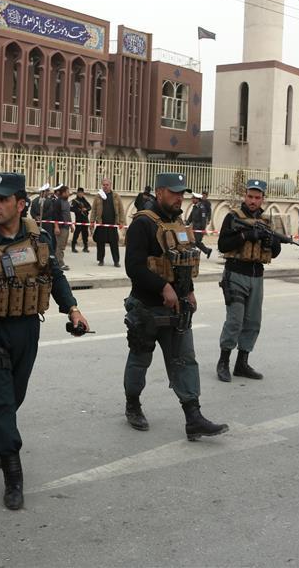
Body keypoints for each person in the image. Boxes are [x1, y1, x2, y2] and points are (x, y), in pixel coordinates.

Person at [0, 172, 90, 511]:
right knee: (2, 401)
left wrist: (72, 309)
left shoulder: (39, 237)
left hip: (27, 328)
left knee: (15, 394)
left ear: (20, 204)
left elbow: (54, 275)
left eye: (1, 200)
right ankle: (13, 476)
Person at [122, 172, 228, 440]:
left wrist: (188, 291)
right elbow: (133, 267)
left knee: (184, 360)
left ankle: (193, 417)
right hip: (146, 308)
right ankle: (132, 405)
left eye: (182, 193)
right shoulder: (142, 224)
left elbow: (181, 264)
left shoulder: (180, 223)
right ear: (159, 193)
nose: (180, 197)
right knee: (140, 360)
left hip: (177, 308)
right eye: (175, 192)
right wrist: (162, 286)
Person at [214, 180, 281, 382]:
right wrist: (246, 235)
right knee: (235, 320)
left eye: (257, 197)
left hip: (256, 275)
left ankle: (242, 363)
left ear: (263, 199)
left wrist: (271, 242)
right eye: (250, 196)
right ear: (245, 196)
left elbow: (275, 252)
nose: (253, 201)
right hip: (235, 273)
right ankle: (223, 362)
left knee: (252, 321)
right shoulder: (233, 217)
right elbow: (223, 245)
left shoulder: (267, 221)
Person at [90, 177, 125, 267]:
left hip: (112, 224)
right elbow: (93, 210)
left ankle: (116, 261)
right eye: (104, 185)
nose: (105, 186)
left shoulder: (116, 196)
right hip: (101, 224)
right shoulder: (98, 196)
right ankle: (101, 260)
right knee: (100, 243)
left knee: (114, 244)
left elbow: (121, 209)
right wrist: (92, 221)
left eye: (107, 185)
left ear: (110, 185)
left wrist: (121, 222)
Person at [185, 191, 213, 258]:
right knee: (195, 241)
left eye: (193, 198)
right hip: (194, 227)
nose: (192, 199)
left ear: (197, 199)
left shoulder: (202, 208)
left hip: (199, 228)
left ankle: (193, 255)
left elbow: (203, 219)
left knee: (196, 241)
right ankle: (207, 251)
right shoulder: (195, 207)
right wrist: (187, 223)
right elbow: (191, 216)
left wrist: (202, 229)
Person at [50, 184, 72, 270]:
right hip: (61, 227)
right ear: (62, 193)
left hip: (66, 227)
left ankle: (58, 263)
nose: (69, 193)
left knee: (62, 246)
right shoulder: (58, 202)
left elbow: (67, 214)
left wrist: (71, 225)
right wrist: (56, 227)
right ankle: (59, 264)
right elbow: (55, 215)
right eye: (67, 192)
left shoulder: (66, 202)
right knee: (60, 246)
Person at [70, 187, 91, 253]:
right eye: (79, 192)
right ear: (77, 193)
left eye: (81, 193)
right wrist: (79, 210)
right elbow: (71, 208)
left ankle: (85, 247)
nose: (80, 194)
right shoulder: (75, 201)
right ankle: (73, 247)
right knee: (76, 233)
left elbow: (90, 207)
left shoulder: (84, 200)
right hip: (79, 219)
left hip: (85, 219)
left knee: (85, 233)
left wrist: (85, 209)